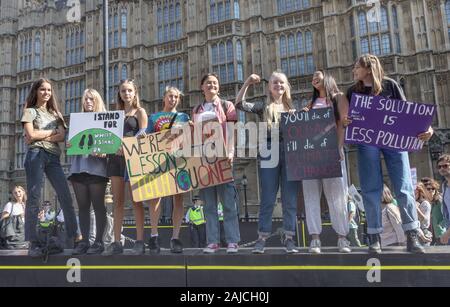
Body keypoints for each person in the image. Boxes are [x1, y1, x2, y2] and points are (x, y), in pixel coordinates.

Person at [343, 54, 433, 254]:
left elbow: (407, 113)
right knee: (371, 188)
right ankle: (374, 236)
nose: (353, 71)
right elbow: (346, 119)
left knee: (404, 187)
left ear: (368, 68)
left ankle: (411, 234)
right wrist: (346, 122)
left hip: (394, 140)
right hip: (367, 142)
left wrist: (429, 130)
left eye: (356, 67)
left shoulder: (390, 86)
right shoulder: (352, 91)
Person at [235, 71, 299, 254]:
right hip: (269, 148)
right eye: (275, 83)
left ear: (286, 86)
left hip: (290, 150)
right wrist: (247, 81)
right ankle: (262, 238)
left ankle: (289, 238)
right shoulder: (264, 106)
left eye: (282, 83)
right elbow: (239, 104)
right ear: (269, 87)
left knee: (290, 197)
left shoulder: (292, 107)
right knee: (268, 197)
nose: (279, 85)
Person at [21, 78, 78, 257]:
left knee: (66, 196)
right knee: (34, 198)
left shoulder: (56, 114)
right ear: (36, 91)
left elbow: (62, 136)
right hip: (35, 156)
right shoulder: (29, 111)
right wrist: (51, 133)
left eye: (49, 90)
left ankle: (75, 237)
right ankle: (33, 242)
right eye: (43, 90)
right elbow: (30, 134)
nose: (46, 93)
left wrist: (41, 135)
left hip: (53, 158)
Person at [301, 70, 351, 254]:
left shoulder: (339, 98)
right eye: (312, 76)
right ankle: (314, 238)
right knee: (311, 196)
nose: (313, 78)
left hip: (332, 153)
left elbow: (342, 125)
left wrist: (338, 148)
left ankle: (342, 237)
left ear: (327, 77)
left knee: (337, 196)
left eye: (317, 75)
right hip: (311, 156)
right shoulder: (311, 103)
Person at [192, 73, 241, 254]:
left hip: (222, 158)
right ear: (202, 87)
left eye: (215, 83)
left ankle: (232, 241)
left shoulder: (227, 106)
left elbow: (232, 131)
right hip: (204, 161)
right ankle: (212, 241)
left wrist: (230, 151)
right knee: (209, 204)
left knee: (228, 203)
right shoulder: (197, 109)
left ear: (218, 87)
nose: (212, 85)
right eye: (208, 83)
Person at [103, 79, 148, 255]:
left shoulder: (140, 112)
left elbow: (143, 136)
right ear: (119, 94)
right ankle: (116, 241)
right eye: (123, 91)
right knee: (118, 202)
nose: (126, 94)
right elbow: (107, 137)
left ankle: (139, 241)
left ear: (135, 92)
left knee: (136, 201)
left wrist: (127, 146)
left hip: (133, 159)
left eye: (129, 90)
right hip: (115, 159)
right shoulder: (115, 114)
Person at [146, 86, 189, 254]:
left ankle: (175, 237)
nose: (173, 99)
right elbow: (147, 139)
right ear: (164, 98)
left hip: (178, 160)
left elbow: (188, 140)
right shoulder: (154, 118)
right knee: (156, 198)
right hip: (159, 162)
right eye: (170, 96)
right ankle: (154, 235)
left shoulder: (184, 117)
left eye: (176, 97)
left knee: (178, 199)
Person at [68, 89, 109, 255]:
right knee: (83, 207)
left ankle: (99, 241)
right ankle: (84, 241)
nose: (88, 102)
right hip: (79, 167)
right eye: (85, 99)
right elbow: (71, 143)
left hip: (97, 169)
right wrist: (69, 144)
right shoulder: (77, 120)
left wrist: (104, 152)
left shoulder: (105, 119)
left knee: (99, 206)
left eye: (91, 99)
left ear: (97, 101)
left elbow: (110, 145)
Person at [422, 178, 447, 244]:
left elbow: (447, 215)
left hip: (441, 234)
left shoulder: (439, 200)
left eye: (433, 188)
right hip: (430, 235)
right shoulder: (425, 202)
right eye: (428, 189)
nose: (431, 190)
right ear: (424, 190)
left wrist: (441, 225)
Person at [436, 154, 450, 245]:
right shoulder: (444, 185)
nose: (442, 168)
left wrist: (447, 234)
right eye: (439, 166)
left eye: (445, 166)